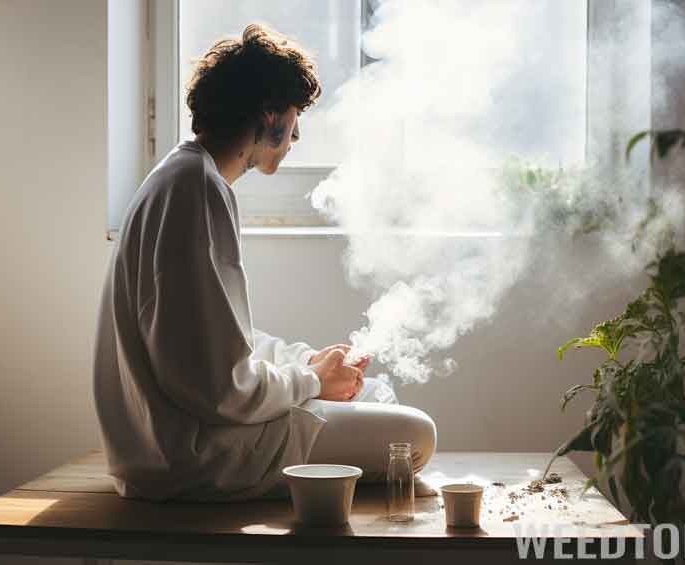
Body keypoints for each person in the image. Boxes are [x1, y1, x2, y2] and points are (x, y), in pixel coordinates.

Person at [93, 23, 436, 501]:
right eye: (295, 118)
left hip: (164, 444)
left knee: (376, 398)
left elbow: (219, 348)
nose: (296, 134)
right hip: (193, 456)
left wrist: (305, 363)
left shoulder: (182, 176)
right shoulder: (197, 188)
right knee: (415, 434)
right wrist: (313, 380)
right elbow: (220, 391)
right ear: (271, 115)